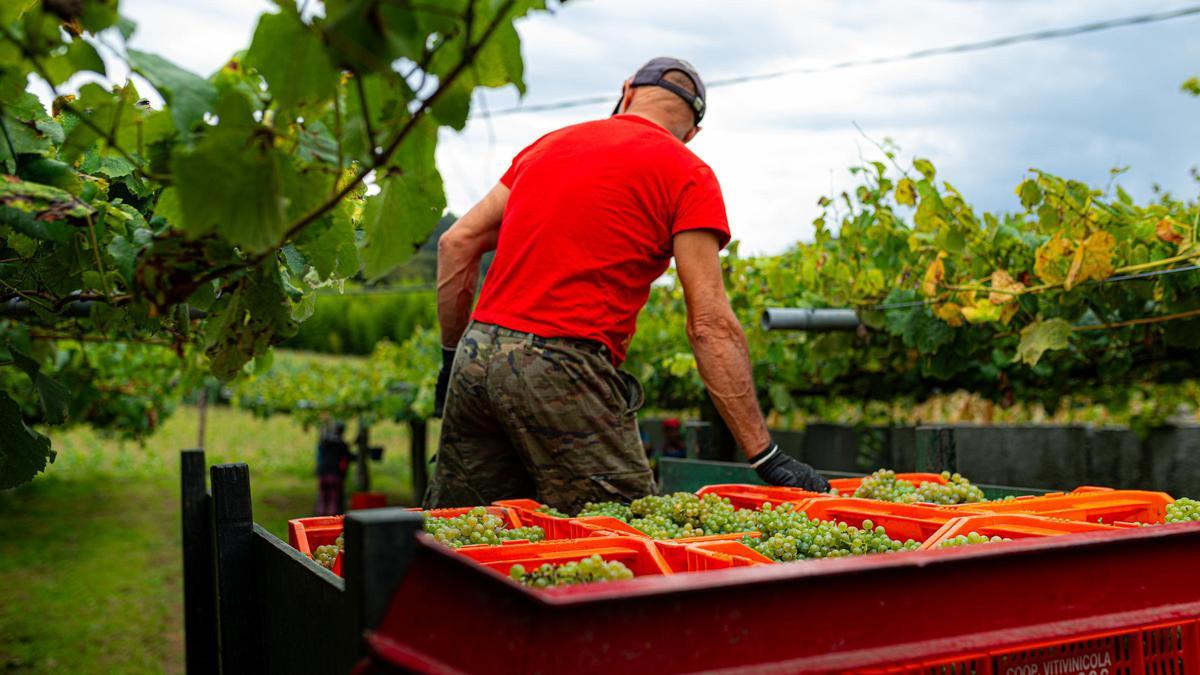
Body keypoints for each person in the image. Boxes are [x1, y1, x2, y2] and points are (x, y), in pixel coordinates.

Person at [426, 57, 829, 514]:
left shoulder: (547, 146)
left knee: (461, 533)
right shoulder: (688, 174)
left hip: (475, 359)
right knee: (626, 533)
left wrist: (450, 360)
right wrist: (764, 453)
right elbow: (710, 324)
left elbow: (456, 243)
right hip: (561, 364)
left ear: (627, 92)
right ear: (692, 131)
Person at [315, 419, 352, 516]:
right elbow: (346, 459)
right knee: (334, 499)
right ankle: (332, 521)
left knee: (322, 498)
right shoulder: (342, 445)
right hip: (335, 474)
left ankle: (319, 520)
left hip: (323, 473)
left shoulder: (325, 443)